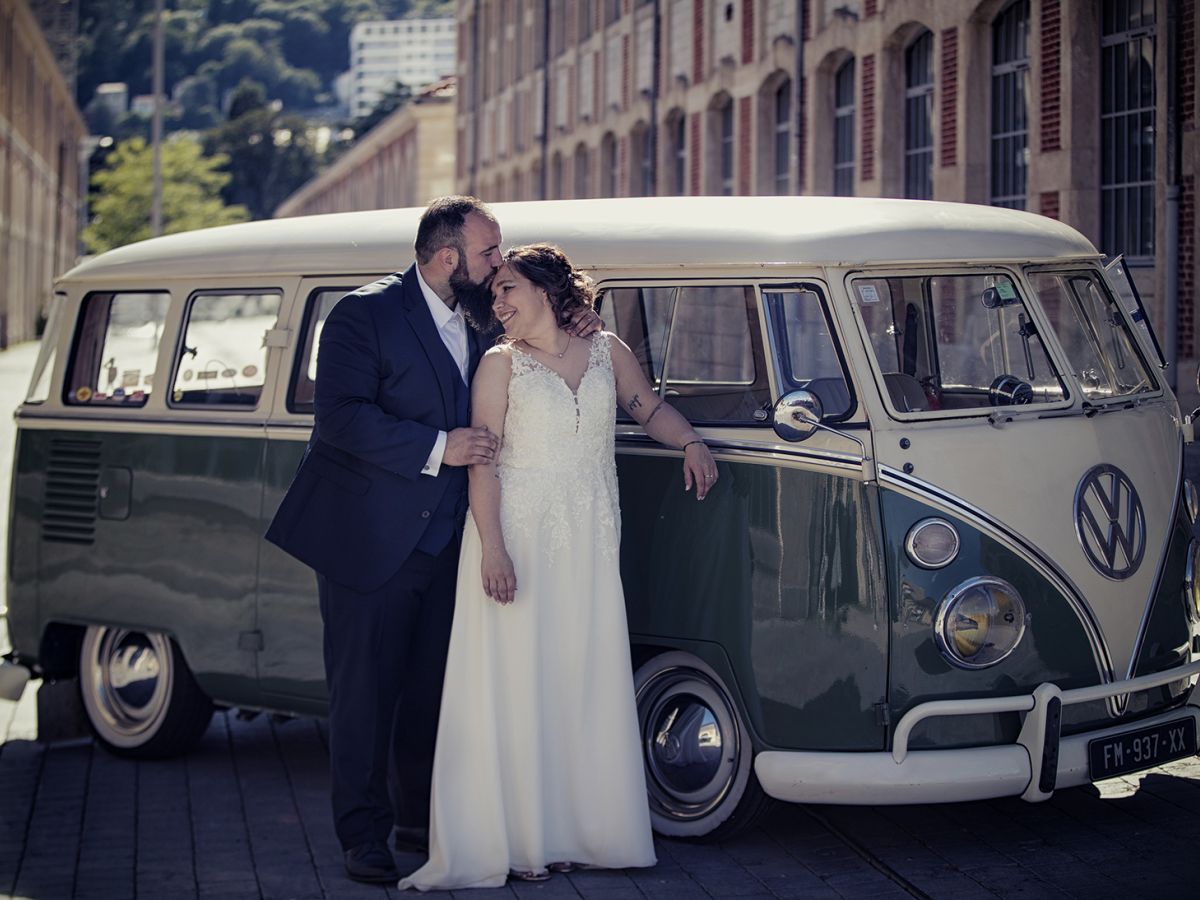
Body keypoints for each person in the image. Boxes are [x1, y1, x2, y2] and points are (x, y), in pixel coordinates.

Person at [400, 244, 719, 891]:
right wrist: (491, 546)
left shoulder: (606, 350)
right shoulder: (499, 366)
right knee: (520, 683)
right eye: (494, 295)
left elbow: (646, 408)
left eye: (509, 289)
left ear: (545, 289)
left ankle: (576, 831)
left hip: (590, 541)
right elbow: (483, 460)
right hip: (516, 537)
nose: (500, 304)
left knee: (578, 678)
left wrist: (689, 439)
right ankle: (520, 840)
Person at [265, 196, 506, 885]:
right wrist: (441, 445)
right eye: (489, 253)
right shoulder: (361, 314)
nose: (499, 264)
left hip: (451, 544)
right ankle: (362, 837)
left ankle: (416, 821)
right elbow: (338, 419)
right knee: (364, 695)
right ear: (447, 257)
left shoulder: (486, 317)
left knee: (431, 692)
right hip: (369, 542)